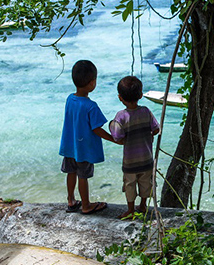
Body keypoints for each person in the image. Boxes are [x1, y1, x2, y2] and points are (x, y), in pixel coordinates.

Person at [59, 60, 116, 215]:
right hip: (83, 150)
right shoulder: (91, 106)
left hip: (70, 146)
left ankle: (71, 201)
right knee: (82, 176)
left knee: (71, 173)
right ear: (92, 83)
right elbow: (97, 129)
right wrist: (114, 139)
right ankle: (86, 205)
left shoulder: (70, 99)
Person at [109, 75, 160, 219]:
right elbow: (156, 129)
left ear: (120, 97)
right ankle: (143, 206)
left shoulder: (121, 116)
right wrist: (148, 135)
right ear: (141, 95)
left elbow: (118, 136)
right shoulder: (146, 111)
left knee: (130, 185)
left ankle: (130, 210)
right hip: (146, 159)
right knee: (145, 183)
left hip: (130, 162)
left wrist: (111, 126)